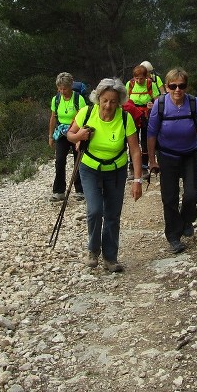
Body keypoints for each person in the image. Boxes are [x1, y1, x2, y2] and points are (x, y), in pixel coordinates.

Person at [66, 78, 144, 272]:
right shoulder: (86, 113)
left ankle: (110, 258)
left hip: (116, 171)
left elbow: (135, 150)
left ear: (119, 102)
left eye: (113, 101)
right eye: (105, 100)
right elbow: (69, 135)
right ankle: (93, 251)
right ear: (98, 98)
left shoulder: (125, 119)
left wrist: (137, 179)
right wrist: (79, 136)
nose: (108, 105)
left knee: (112, 214)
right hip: (90, 168)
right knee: (94, 210)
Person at [147, 68, 197, 254]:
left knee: (192, 194)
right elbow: (151, 134)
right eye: (173, 86)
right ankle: (174, 236)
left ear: (186, 86)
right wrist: (152, 160)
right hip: (167, 156)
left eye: (181, 85)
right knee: (170, 198)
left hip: (190, 154)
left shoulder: (193, 103)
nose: (177, 90)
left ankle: (186, 219)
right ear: (166, 86)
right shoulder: (160, 104)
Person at [48, 72, 86, 202]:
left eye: (65, 88)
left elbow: (84, 117)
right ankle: (59, 191)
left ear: (71, 86)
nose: (62, 91)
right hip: (61, 134)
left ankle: (80, 190)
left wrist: (81, 136)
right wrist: (50, 136)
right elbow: (53, 117)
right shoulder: (56, 99)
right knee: (59, 161)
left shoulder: (78, 99)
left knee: (78, 160)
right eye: (60, 88)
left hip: (76, 132)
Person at [125, 64, 161, 170]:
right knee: (132, 141)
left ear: (146, 77)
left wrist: (153, 105)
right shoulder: (130, 84)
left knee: (145, 141)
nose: (139, 81)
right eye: (137, 78)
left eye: (141, 78)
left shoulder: (150, 84)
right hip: (133, 116)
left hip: (146, 115)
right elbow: (125, 100)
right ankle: (132, 167)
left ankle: (144, 166)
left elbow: (158, 100)